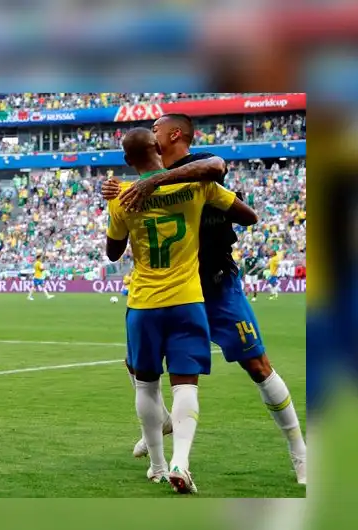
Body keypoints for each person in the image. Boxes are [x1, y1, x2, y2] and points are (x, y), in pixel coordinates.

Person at [102, 114, 307, 485]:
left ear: (173, 134)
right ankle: (163, 424)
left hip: (214, 286)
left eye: (157, 128)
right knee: (135, 366)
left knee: (258, 366)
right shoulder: (157, 185)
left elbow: (216, 166)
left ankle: (300, 453)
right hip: (181, 292)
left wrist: (153, 182)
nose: (153, 132)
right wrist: (138, 185)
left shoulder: (201, 169)